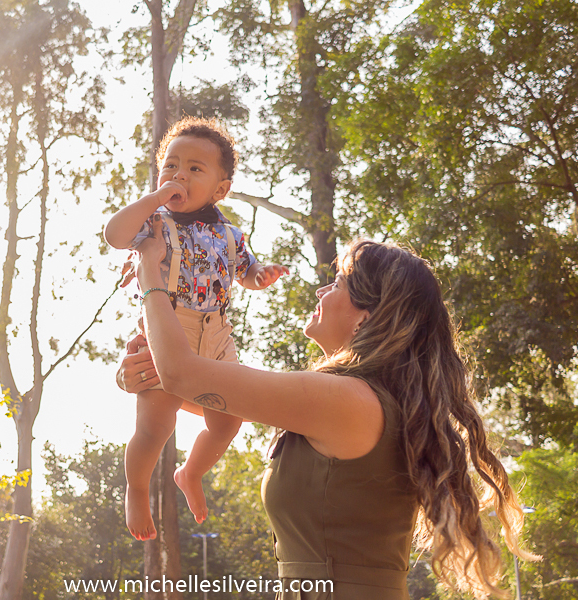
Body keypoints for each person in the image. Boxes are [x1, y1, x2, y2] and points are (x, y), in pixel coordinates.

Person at [119, 231, 537, 599]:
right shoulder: (357, 401)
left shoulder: (345, 399)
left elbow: (183, 373)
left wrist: (150, 273)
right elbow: (194, 388)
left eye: (337, 283)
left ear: (365, 318)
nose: (322, 292)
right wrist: (148, 378)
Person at [104, 116, 289, 541]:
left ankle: (190, 472)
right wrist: (154, 198)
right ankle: (136, 488)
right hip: (170, 328)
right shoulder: (154, 223)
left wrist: (262, 276)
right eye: (170, 166)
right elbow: (115, 235)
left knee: (229, 420)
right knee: (156, 424)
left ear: (220, 190)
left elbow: (244, 272)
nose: (178, 175)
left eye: (194, 168)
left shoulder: (230, 234)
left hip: (218, 334)